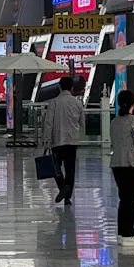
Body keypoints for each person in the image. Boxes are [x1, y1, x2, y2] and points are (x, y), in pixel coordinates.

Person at [109, 89, 134, 248]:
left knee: (124, 200)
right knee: (131, 201)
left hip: (116, 164)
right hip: (131, 164)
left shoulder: (114, 121)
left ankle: (122, 233)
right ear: (133, 103)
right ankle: (129, 234)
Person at [46, 76, 83, 204]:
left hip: (57, 141)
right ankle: (67, 196)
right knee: (70, 169)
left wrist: (46, 140)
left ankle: (63, 188)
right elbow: (82, 122)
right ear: (72, 87)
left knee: (56, 168)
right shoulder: (77, 103)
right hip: (72, 141)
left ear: (59, 87)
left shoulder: (53, 103)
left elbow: (48, 123)